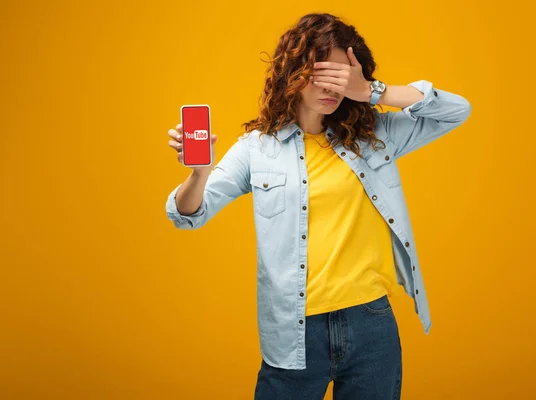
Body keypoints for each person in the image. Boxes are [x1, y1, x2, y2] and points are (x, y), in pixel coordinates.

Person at [165, 12, 471, 400]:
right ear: (294, 71)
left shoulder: (375, 135)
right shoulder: (257, 150)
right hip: (293, 332)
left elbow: (456, 110)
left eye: (344, 76)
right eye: (323, 72)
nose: (334, 86)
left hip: (370, 323)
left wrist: (372, 91)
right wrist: (198, 173)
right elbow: (188, 215)